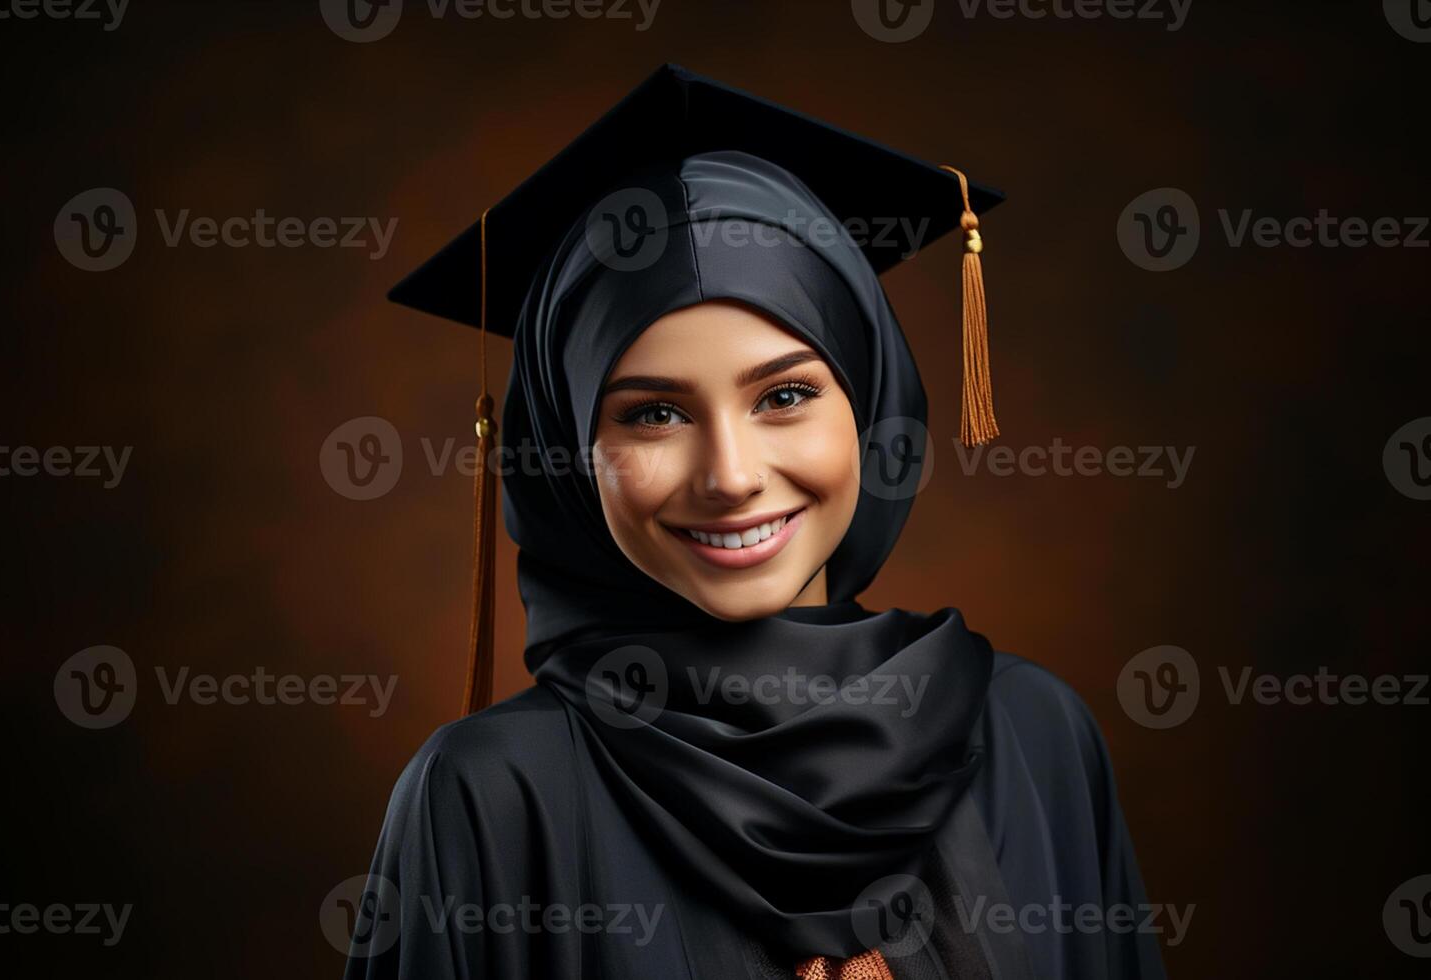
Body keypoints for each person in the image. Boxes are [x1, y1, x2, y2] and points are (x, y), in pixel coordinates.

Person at [343, 65, 1167, 979]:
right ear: (570, 457)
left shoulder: (1029, 733)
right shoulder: (492, 796)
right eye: (653, 413)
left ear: (868, 399)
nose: (731, 477)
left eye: (784, 395)